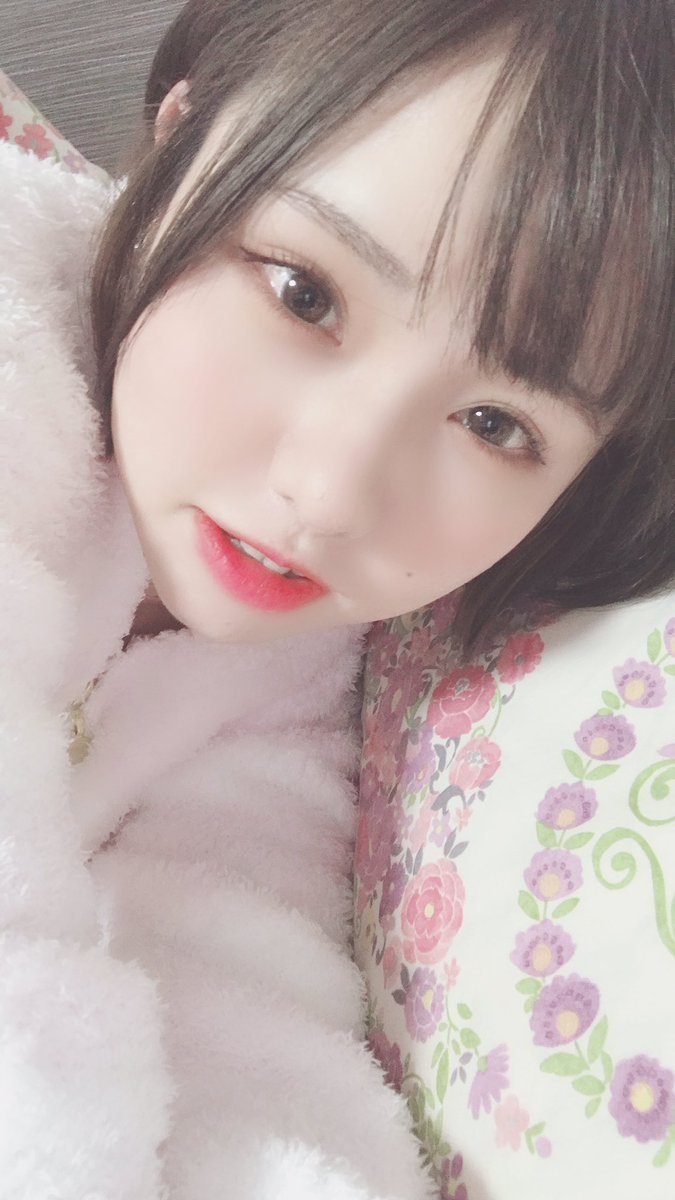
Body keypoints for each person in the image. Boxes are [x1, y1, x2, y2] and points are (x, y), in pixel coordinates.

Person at [0, 0, 672, 1196]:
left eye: (495, 424)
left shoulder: (303, 679)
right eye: (303, 294)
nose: (329, 494)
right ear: (174, 145)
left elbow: (244, 992)